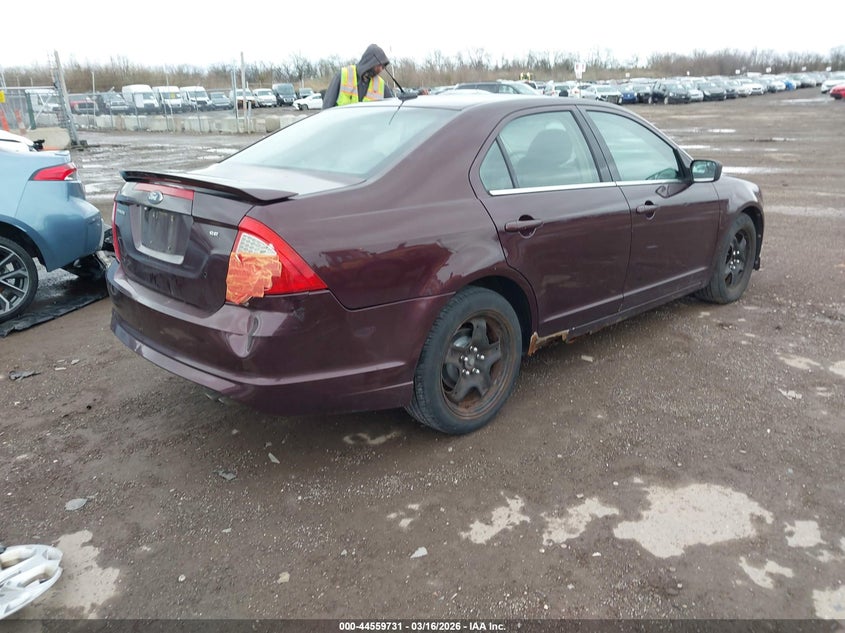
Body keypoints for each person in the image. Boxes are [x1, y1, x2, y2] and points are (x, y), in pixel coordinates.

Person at [323, 44, 395, 109]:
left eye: (383, 67)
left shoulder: (381, 85)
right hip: (342, 123)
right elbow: (327, 108)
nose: (380, 69)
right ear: (370, 61)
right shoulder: (342, 76)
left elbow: (392, 110)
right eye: (379, 65)